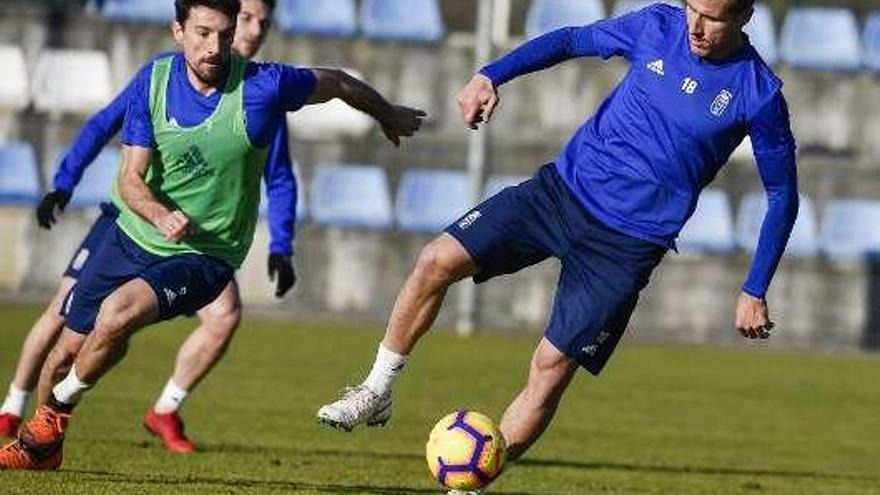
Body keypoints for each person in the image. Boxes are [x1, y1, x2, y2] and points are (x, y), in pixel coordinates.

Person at [317, 0, 798, 483]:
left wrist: (755, 287)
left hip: (626, 245)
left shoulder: (758, 93)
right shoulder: (656, 25)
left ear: (742, 17)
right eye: (692, 7)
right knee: (435, 260)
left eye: (712, 17)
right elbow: (570, 40)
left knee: (550, 370)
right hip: (560, 194)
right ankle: (377, 388)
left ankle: (468, 485)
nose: (695, 24)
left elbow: (782, 194)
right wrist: (491, 75)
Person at [0, 0, 424, 470]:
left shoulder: (265, 85)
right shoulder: (154, 80)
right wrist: (137, 208)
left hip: (206, 253)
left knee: (119, 315)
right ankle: (40, 446)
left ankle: (66, 414)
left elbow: (338, 83)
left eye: (224, 34)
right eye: (203, 33)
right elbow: (129, 178)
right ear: (178, 30)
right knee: (63, 353)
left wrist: (386, 113)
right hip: (132, 233)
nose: (215, 46)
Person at [0, 0, 295, 454]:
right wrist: (63, 183)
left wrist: (282, 243)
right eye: (248, 19)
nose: (254, 31)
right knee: (64, 313)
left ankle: (164, 409)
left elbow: (277, 175)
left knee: (220, 316)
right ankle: (12, 408)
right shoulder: (162, 74)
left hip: (189, 244)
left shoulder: (263, 94)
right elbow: (105, 123)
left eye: (261, 23)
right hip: (130, 223)